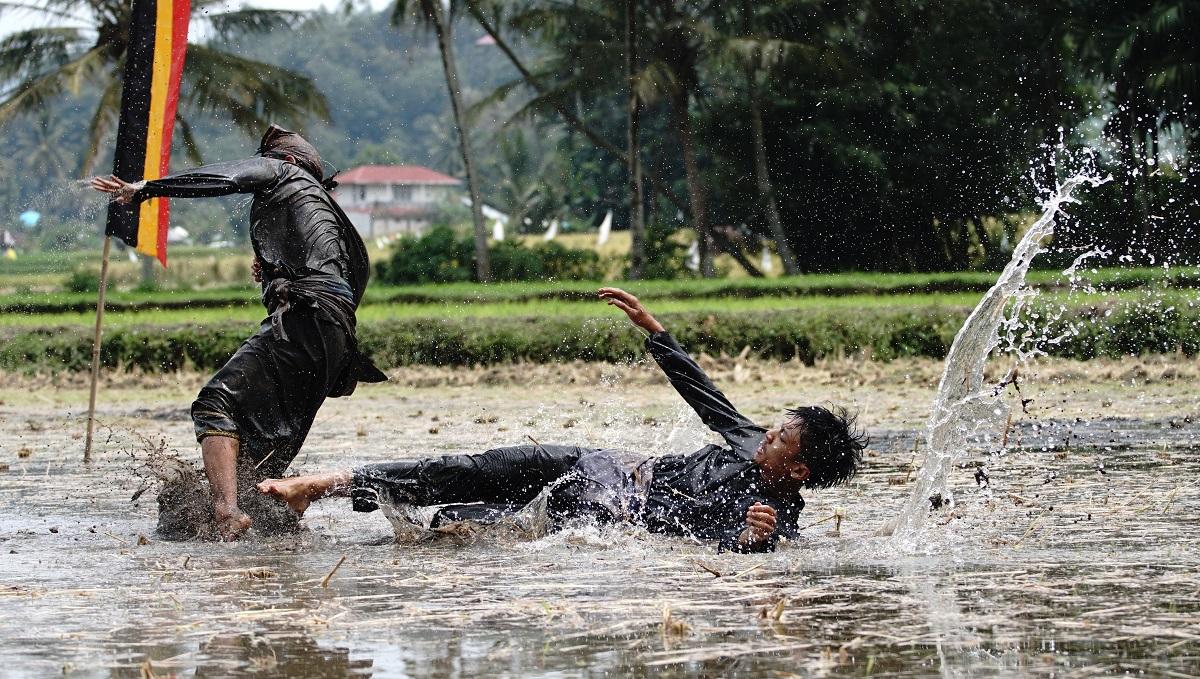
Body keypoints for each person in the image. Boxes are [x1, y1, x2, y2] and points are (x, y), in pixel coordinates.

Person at [259, 288, 865, 552]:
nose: (767, 435)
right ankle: (316, 487)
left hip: (608, 513)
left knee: (463, 524)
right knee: (466, 469)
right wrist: (654, 331)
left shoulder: (778, 516)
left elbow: (736, 552)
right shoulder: (743, 438)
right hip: (602, 468)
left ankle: (439, 530)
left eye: (781, 438)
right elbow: (702, 394)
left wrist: (753, 544)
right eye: (774, 428)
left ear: (801, 468)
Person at [91, 125, 386, 541]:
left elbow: (224, 177)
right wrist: (274, 272)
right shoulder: (324, 207)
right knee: (263, 461)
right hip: (337, 337)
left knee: (214, 405)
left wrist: (145, 189)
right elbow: (345, 275)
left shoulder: (283, 172)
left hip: (305, 317)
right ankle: (270, 525)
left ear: (282, 160)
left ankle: (226, 514)